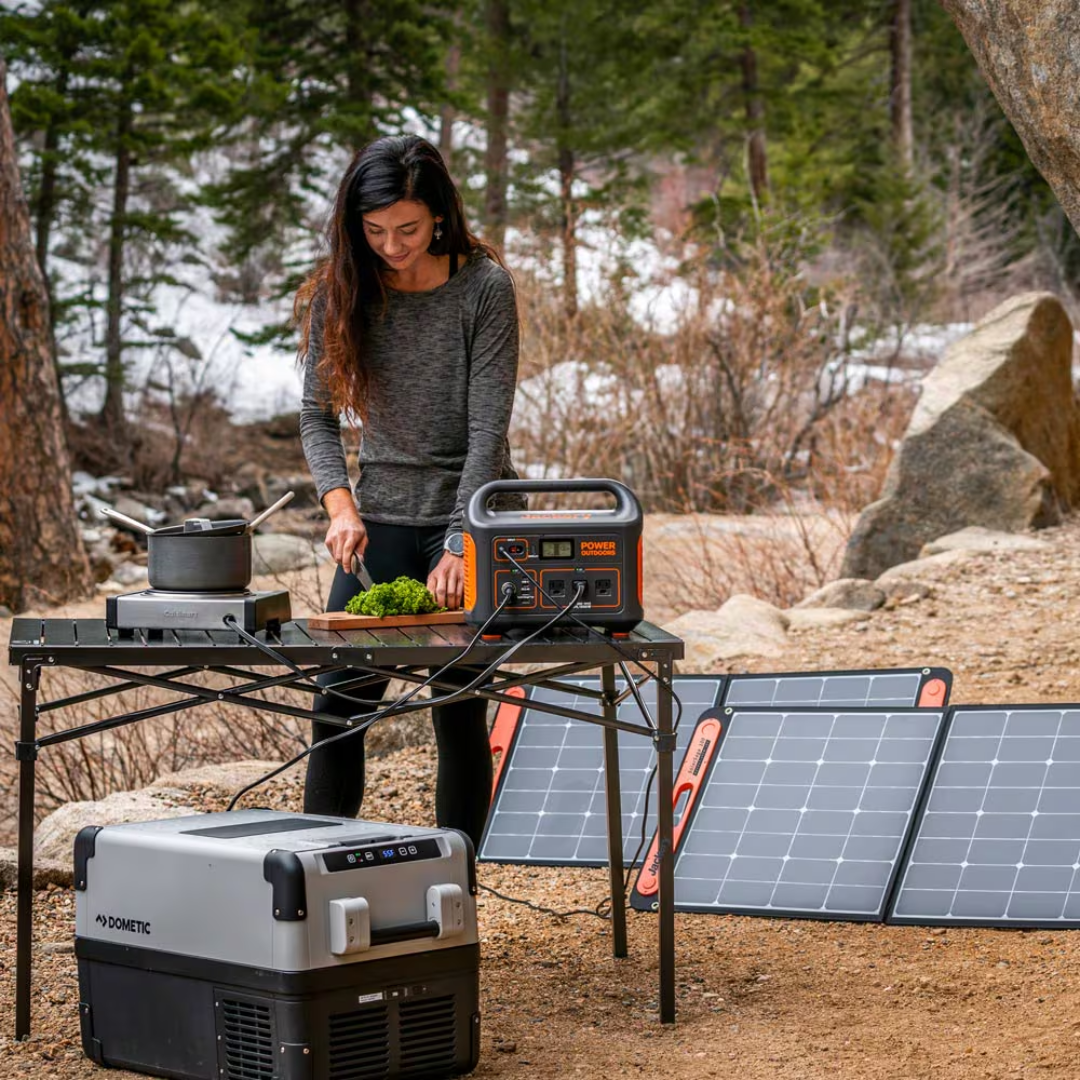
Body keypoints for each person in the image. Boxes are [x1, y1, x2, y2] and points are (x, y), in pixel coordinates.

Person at [296, 134, 522, 846]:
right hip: (384, 512)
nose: (392, 245)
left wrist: (461, 542)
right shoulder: (343, 291)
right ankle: (317, 880)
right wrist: (340, 506)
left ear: (439, 218)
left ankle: (459, 893)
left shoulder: (483, 288)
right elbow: (316, 416)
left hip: (474, 511)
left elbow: (488, 432)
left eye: (408, 229)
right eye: (374, 231)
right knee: (338, 702)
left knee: (458, 704)